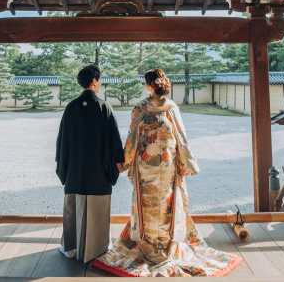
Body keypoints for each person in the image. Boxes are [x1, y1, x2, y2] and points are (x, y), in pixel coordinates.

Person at [93, 68, 242, 277]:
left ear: (148, 85)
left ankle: (149, 245)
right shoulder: (172, 107)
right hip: (169, 166)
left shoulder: (140, 108)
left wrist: (124, 162)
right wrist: (187, 163)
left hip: (146, 168)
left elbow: (132, 138)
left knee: (149, 205)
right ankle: (166, 245)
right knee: (165, 205)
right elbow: (181, 137)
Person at [55, 64, 125, 263]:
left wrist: (64, 168)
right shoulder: (104, 106)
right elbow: (114, 139)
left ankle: (71, 248)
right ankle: (98, 249)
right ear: (94, 81)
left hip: (75, 171)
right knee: (98, 209)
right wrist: (119, 162)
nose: (100, 83)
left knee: (73, 207)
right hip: (99, 171)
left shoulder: (71, 107)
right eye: (100, 80)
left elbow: (62, 141)